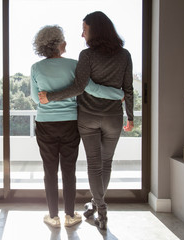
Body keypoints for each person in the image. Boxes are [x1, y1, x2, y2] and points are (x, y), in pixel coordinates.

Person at [38, 12, 134, 230]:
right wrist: (130, 116)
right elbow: (128, 89)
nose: (82, 34)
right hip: (113, 118)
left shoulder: (87, 55)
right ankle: (97, 205)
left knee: (94, 163)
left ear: (95, 30)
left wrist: (50, 96)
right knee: (106, 163)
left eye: (85, 29)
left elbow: (80, 87)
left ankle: (100, 207)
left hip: (88, 118)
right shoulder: (125, 55)